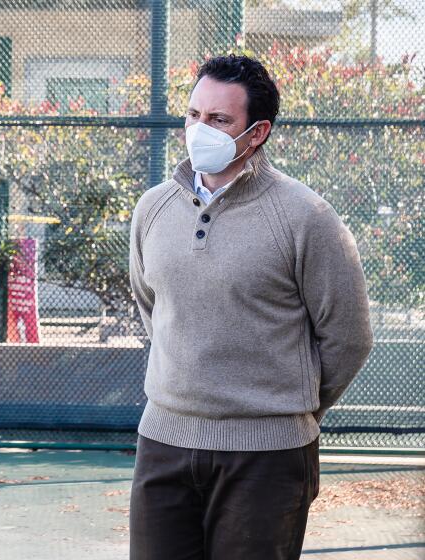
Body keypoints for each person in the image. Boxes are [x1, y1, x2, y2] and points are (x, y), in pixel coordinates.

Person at [127, 55, 373, 560]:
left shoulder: (307, 217)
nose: (200, 130)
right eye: (194, 115)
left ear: (257, 132)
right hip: (164, 441)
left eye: (219, 120)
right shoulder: (152, 209)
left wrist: (288, 408)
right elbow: (152, 306)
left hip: (270, 456)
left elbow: (348, 337)